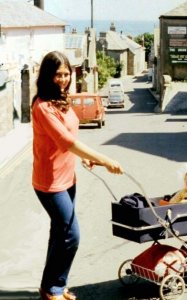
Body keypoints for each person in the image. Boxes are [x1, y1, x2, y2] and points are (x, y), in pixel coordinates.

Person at [31, 51, 123, 300]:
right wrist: (104, 159)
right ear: (47, 76)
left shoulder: (62, 99)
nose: (62, 79)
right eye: (57, 75)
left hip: (68, 177)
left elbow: (68, 137)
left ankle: (52, 287)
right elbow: (65, 140)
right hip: (50, 183)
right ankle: (54, 288)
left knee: (60, 234)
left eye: (65, 74)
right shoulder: (43, 106)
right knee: (71, 235)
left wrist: (84, 157)